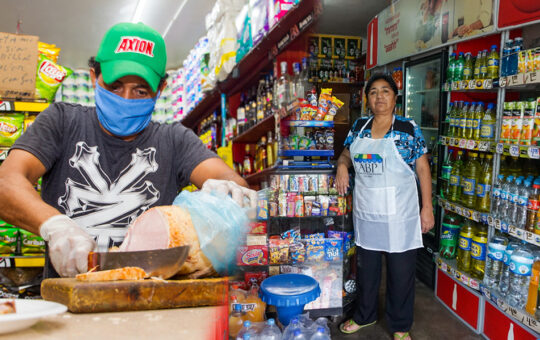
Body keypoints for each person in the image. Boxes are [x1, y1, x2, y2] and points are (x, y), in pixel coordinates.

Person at [0, 22, 255, 278]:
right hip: (69, 306)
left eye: (141, 90)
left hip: (149, 305)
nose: (126, 99)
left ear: (160, 90)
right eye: (114, 87)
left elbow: (229, 180)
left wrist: (228, 192)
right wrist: (54, 225)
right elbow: (6, 182)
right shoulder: (62, 122)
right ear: (93, 77)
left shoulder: (173, 139)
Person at [336, 73, 434, 340]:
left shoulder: (407, 128)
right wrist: (342, 167)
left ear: (395, 97)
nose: (379, 97)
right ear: (367, 99)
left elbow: (422, 168)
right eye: (374, 92)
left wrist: (427, 208)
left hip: (400, 214)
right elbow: (346, 154)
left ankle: (400, 325)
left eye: (385, 91)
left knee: (401, 274)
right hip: (367, 212)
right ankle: (363, 316)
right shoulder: (358, 126)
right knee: (366, 271)